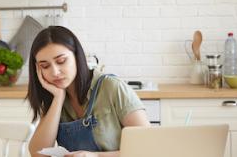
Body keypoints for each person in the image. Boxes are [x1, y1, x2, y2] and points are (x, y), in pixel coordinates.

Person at [26, 26, 150, 157]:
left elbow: (148, 148)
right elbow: (38, 154)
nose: (55, 72)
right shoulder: (55, 97)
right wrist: (58, 99)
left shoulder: (112, 87)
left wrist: (95, 156)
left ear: (77, 56)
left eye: (61, 61)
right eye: (45, 66)